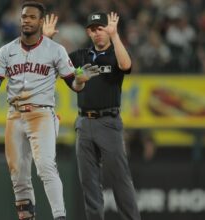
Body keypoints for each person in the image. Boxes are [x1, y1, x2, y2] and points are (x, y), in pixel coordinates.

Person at [0, 2, 99, 220]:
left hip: (41, 113)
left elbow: (74, 85)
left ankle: (60, 216)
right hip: (15, 114)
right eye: (24, 17)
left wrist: (80, 81)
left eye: (31, 17)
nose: (26, 20)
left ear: (41, 21)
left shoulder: (55, 50)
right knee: (18, 174)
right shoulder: (6, 51)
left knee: (46, 166)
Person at [43, 12, 141, 220]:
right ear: (88, 32)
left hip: (109, 122)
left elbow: (126, 66)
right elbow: (49, 66)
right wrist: (47, 40)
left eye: (101, 28)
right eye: (93, 29)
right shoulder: (80, 56)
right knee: (89, 183)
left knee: (120, 179)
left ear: (108, 29)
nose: (97, 33)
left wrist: (115, 36)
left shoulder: (115, 53)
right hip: (84, 122)